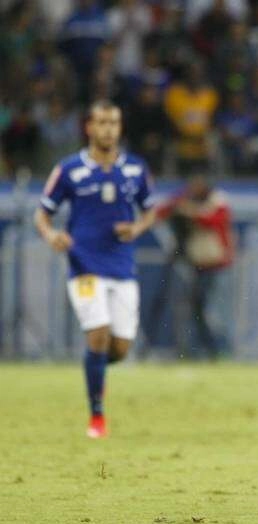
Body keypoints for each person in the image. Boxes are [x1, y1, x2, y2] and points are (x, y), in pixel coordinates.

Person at [34, 99, 156, 438]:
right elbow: (41, 214)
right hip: (84, 265)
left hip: (122, 267)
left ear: (120, 128)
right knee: (98, 333)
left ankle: (94, 365)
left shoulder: (135, 169)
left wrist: (136, 228)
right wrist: (52, 235)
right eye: (101, 122)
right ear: (89, 127)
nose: (108, 129)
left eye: (113, 123)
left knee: (120, 348)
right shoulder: (69, 169)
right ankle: (97, 416)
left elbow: (149, 211)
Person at [156, 174, 235, 359]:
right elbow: (163, 210)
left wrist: (191, 211)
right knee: (196, 307)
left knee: (213, 309)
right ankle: (207, 350)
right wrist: (181, 203)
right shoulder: (188, 199)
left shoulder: (218, 201)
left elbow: (213, 221)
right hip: (198, 264)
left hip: (217, 265)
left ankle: (219, 349)